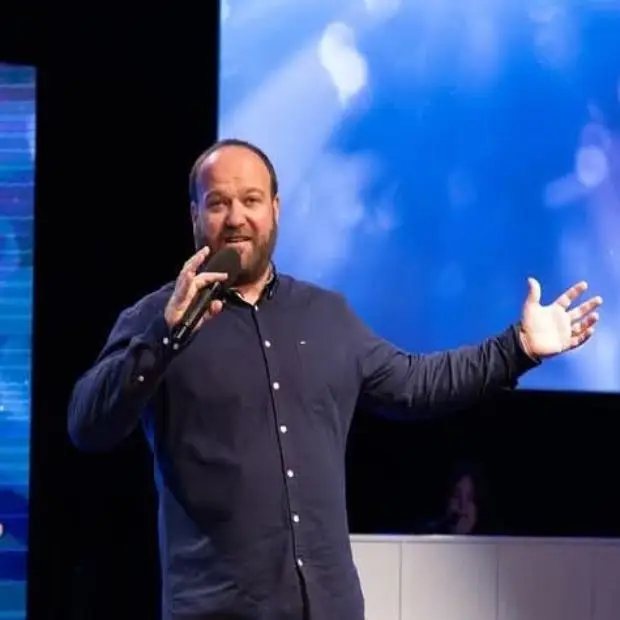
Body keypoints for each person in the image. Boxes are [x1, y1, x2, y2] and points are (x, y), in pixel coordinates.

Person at [67, 138, 602, 620]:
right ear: (194, 215)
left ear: (275, 210)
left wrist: (518, 348)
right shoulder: (157, 318)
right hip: (217, 608)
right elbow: (87, 425)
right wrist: (165, 338)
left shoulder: (324, 315)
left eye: (251, 200)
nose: (236, 218)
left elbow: (416, 384)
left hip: (328, 605)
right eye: (218, 203)